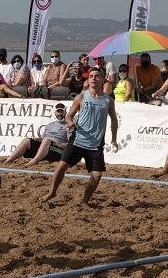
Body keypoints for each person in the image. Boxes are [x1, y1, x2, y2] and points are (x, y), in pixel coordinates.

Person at [41, 67, 119, 205]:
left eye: (96, 76)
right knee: (61, 167)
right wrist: (70, 122)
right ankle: (52, 192)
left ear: (102, 79)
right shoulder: (81, 97)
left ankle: (84, 201)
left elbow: (113, 119)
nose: (94, 78)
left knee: (97, 174)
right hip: (78, 139)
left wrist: (113, 138)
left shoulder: (108, 100)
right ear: (88, 80)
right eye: (91, 76)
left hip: (95, 144)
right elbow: (69, 115)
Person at [4, 103, 69, 164]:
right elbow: (42, 139)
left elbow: (72, 143)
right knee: (27, 140)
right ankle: (9, 160)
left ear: (65, 112)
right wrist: (37, 139)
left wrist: (61, 144)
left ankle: (33, 162)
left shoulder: (69, 125)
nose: (60, 114)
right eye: (58, 111)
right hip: (46, 147)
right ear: (55, 113)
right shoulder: (50, 125)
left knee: (46, 140)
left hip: (58, 150)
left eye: (62, 111)